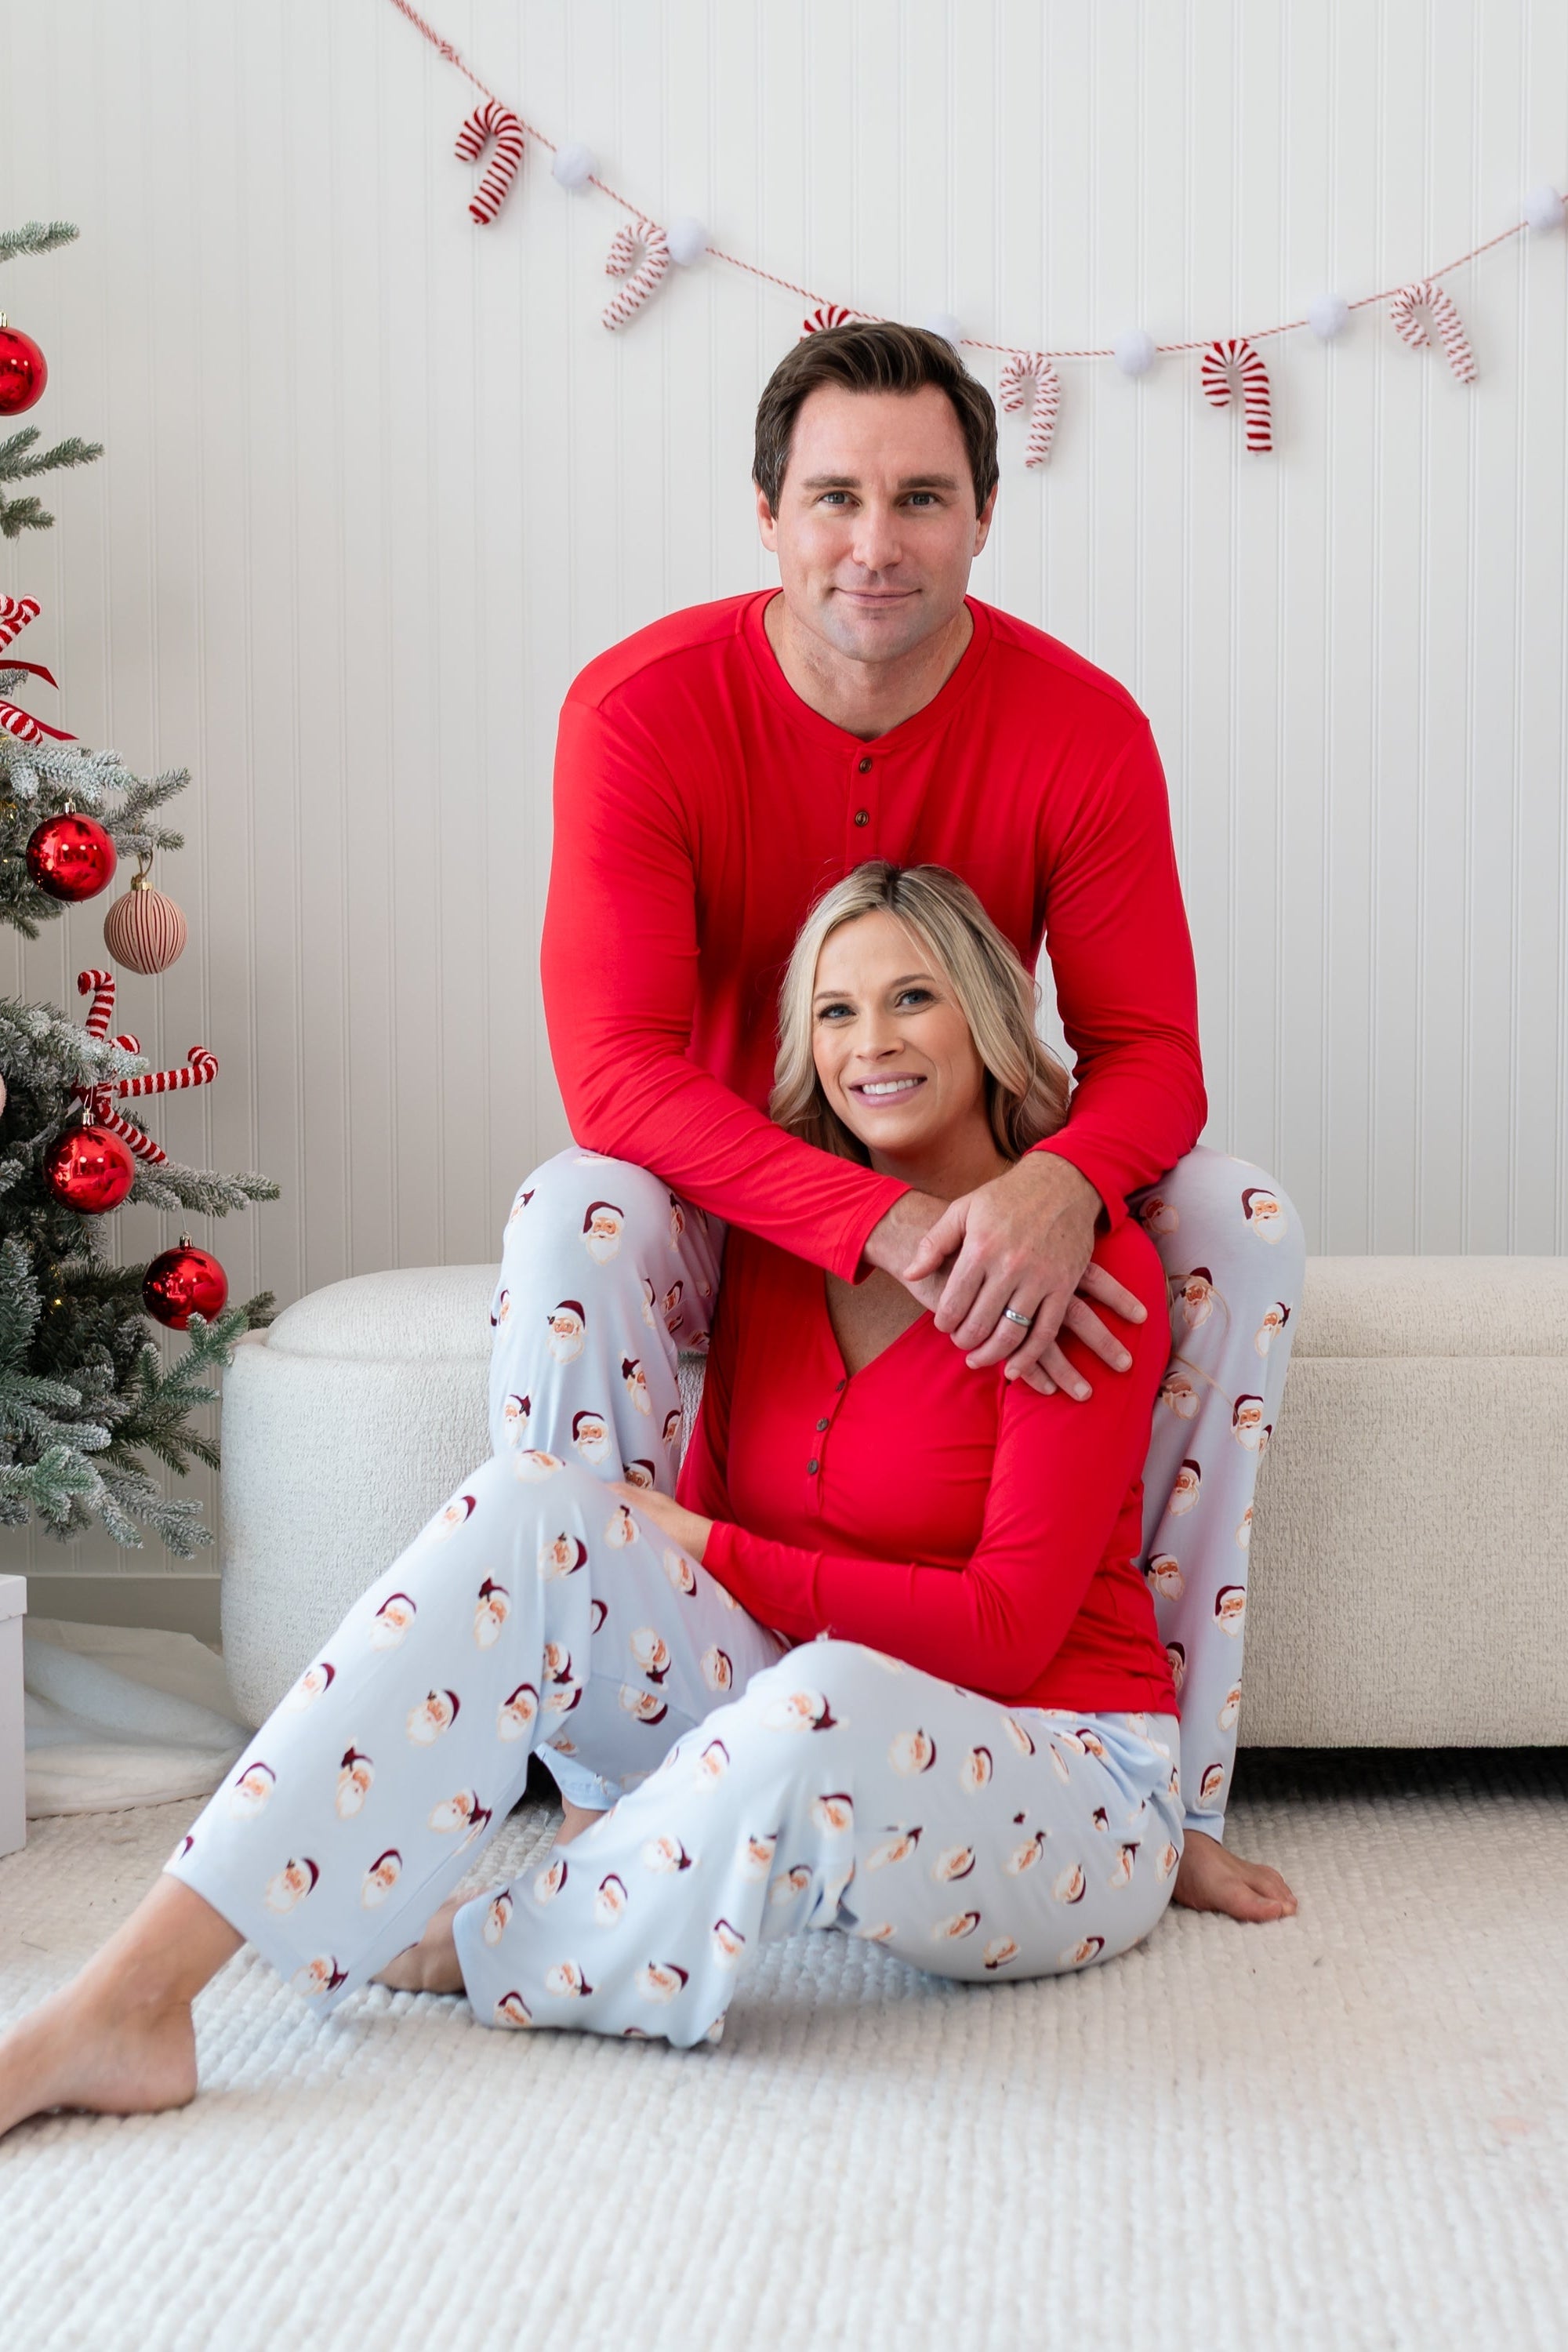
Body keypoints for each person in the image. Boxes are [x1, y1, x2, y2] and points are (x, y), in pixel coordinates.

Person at [0, 862, 1287, 2131]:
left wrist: (714, 1549)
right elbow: (713, 1537)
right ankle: (134, 1995)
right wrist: (674, 1553)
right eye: (836, 1011)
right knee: (530, 1505)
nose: (871, 1044)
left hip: (1064, 1777)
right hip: (802, 1707)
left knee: (819, 1697)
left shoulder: (1079, 1265)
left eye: (914, 998)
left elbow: (1006, 1631)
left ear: (988, 1022)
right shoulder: (778, 1249)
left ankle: (490, 1944)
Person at [527, 318, 1303, 1912]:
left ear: (984, 516)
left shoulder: (1080, 725)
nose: (874, 545)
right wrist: (870, 1217)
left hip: (982, 1184)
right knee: (569, 1215)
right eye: (835, 497)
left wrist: (1062, 1183)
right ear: (767, 514)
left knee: (1240, 1221)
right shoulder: (639, 708)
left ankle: (1167, 1787)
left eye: (921, 499)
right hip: (732, 1203)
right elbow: (613, 1070)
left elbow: (1152, 1052)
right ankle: (613, 1782)